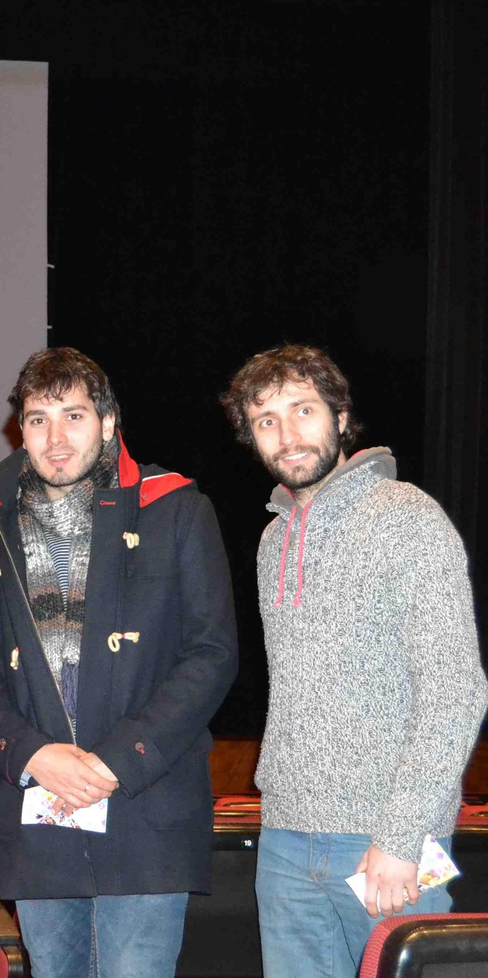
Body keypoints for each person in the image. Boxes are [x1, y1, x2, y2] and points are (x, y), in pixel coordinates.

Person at [0, 347, 237, 978]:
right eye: (37, 419)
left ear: (108, 423)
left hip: (146, 806)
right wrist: (31, 754)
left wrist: (118, 759)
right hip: (38, 809)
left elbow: (211, 654)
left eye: (73, 416)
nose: (55, 439)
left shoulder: (178, 510)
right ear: (19, 431)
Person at [221, 344, 487, 978]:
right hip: (285, 840)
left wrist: (402, 837)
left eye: (303, 410)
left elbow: (456, 690)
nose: (287, 434)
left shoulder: (408, 518)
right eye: (266, 421)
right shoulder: (271, 538)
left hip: (383, 842)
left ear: (341, 418)